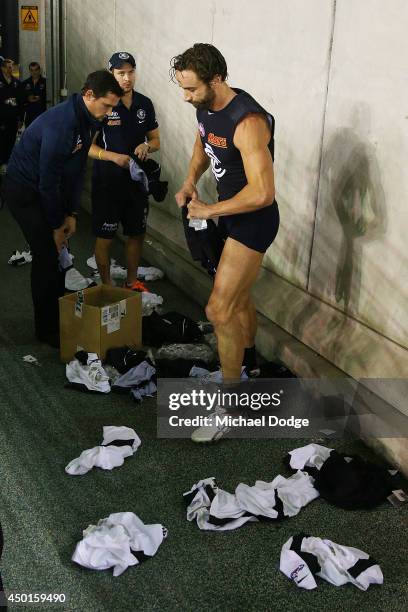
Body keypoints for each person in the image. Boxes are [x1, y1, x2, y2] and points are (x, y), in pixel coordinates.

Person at [171, 43, 280, 442]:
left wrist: (209, 212)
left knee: (218, 309)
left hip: (252, 223)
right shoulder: (207, 108)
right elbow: (204, 144)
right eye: (182, 89)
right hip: (227, 216)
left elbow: (263, 193)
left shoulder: (247, 120)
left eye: (191, 89)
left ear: (216, 79)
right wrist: (188, 181)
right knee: (239, 299)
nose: (186, 97)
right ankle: (247, 365)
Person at [4, 70, 123, 347]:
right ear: (89, 95)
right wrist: (57, 226)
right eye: (106, 106)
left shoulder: (89, 119)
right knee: (47, 253)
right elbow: (49, 180)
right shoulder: (63, 123)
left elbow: (76, 169)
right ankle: (45, 330)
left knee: (57, 256)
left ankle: (58, 318)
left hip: (46, 189)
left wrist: (72, 213)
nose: (107, 113)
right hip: (23, 190)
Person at [89, 52, 160, 290]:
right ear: (111, 74)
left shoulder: (144, 104)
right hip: (107, 182)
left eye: (130, 72)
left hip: (136, 182)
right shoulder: (105, 104)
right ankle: (107, 286)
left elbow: (156, 140)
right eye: (121, 73)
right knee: (105, 237)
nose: (127, 78)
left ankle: (132, 282)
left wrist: (146, 145)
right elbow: (88, 146)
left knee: (136, 233)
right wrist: (114, 157)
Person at [0, 57, 23, 172]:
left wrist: (20, 119)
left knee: (11, 140)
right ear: (3, 68)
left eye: (12, 67)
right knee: (2, 140)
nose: (11, 69)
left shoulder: (17, 83)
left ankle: (8, 163)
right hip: (2, 118)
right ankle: (2, 162)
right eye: (8, 67)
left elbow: (20, 102)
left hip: (13, 118)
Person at [22, 61, 47, 126]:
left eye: (36, 70)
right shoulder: (25, 83)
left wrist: (41, 97)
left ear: (39, 70)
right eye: (32, 70)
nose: (34, 72)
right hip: (29, 114)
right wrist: (28, 99)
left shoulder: (45, 82)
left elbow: (50, 97)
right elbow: (21, 99)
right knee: (30, 133)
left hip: (42, 113)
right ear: (29, 71)